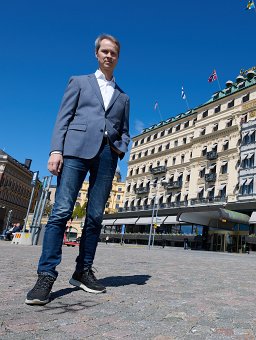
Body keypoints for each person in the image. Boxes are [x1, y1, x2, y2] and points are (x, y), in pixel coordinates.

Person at [25, 34, 130, 306]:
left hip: (107, 156)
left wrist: (120, 147)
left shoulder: (123, 97)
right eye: (104, 51)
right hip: (74, 151)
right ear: (97, 54)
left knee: (95, 216)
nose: (109, 56)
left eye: (113, 53)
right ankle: (46, 275)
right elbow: (64, 116)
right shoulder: (79, 82)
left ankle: (83, 271)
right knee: (61, 211)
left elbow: (125, 130)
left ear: (118, 58)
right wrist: (55, 150)